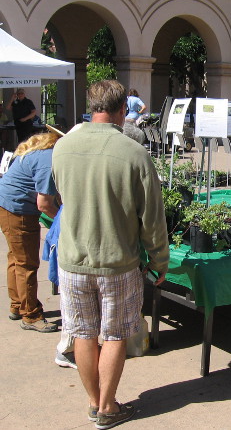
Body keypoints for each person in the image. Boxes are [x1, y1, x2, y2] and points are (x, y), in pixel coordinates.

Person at [52, 80, 169, 428]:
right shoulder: (135, 153)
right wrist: (159, 260)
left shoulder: (63, 147)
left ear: (91, 106)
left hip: (73, 259)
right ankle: (107, 407)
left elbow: (57, 198)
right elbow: (152, 218)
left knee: (83, 334)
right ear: (123, 110)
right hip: (118, 262)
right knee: (116, 333)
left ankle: (94, 402)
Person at [0, 132, 60, 332]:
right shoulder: (48, 159)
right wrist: (64, 220)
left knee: (15, 259)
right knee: (27, 263)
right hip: (18, 210)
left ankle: (17, 305)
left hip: (8, 205)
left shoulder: (40, 152)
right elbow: (44, 205)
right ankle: (31, 315)